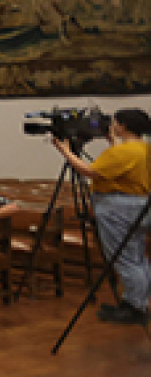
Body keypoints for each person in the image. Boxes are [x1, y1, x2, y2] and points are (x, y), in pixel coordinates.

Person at [53, 109, 150, 325]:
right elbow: (122, 166)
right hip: (139, 204)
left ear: (123, 126)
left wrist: (65, 152)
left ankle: (135, 307)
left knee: (124, 258)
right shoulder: (144, 148)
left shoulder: (124, 152)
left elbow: (91, 171)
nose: (111, 126)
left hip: (118, 207)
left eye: (114, 123)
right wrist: (112, 141)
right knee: (137, 257)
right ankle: (137, 302)